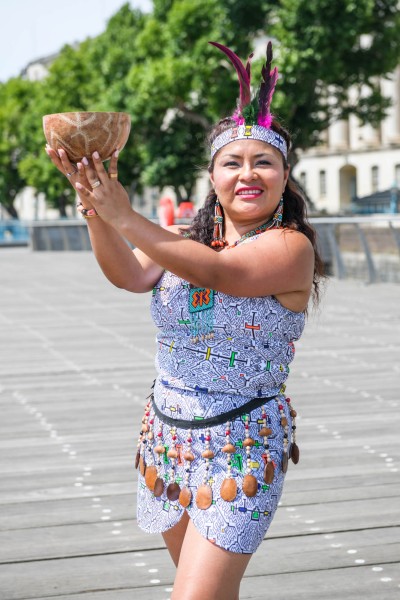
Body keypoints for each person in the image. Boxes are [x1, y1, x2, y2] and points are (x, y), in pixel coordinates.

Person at [46, 40, 323, 600]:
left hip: (241, 444)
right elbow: (128, 273)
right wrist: (97, 208)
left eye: (263, 162)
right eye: (232, 163)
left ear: (284, 176)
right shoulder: (181, 240)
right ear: (213, 177)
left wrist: (125, 212)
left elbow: (222, 274)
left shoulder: (290, 248)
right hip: (168, 441)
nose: (248, 174)